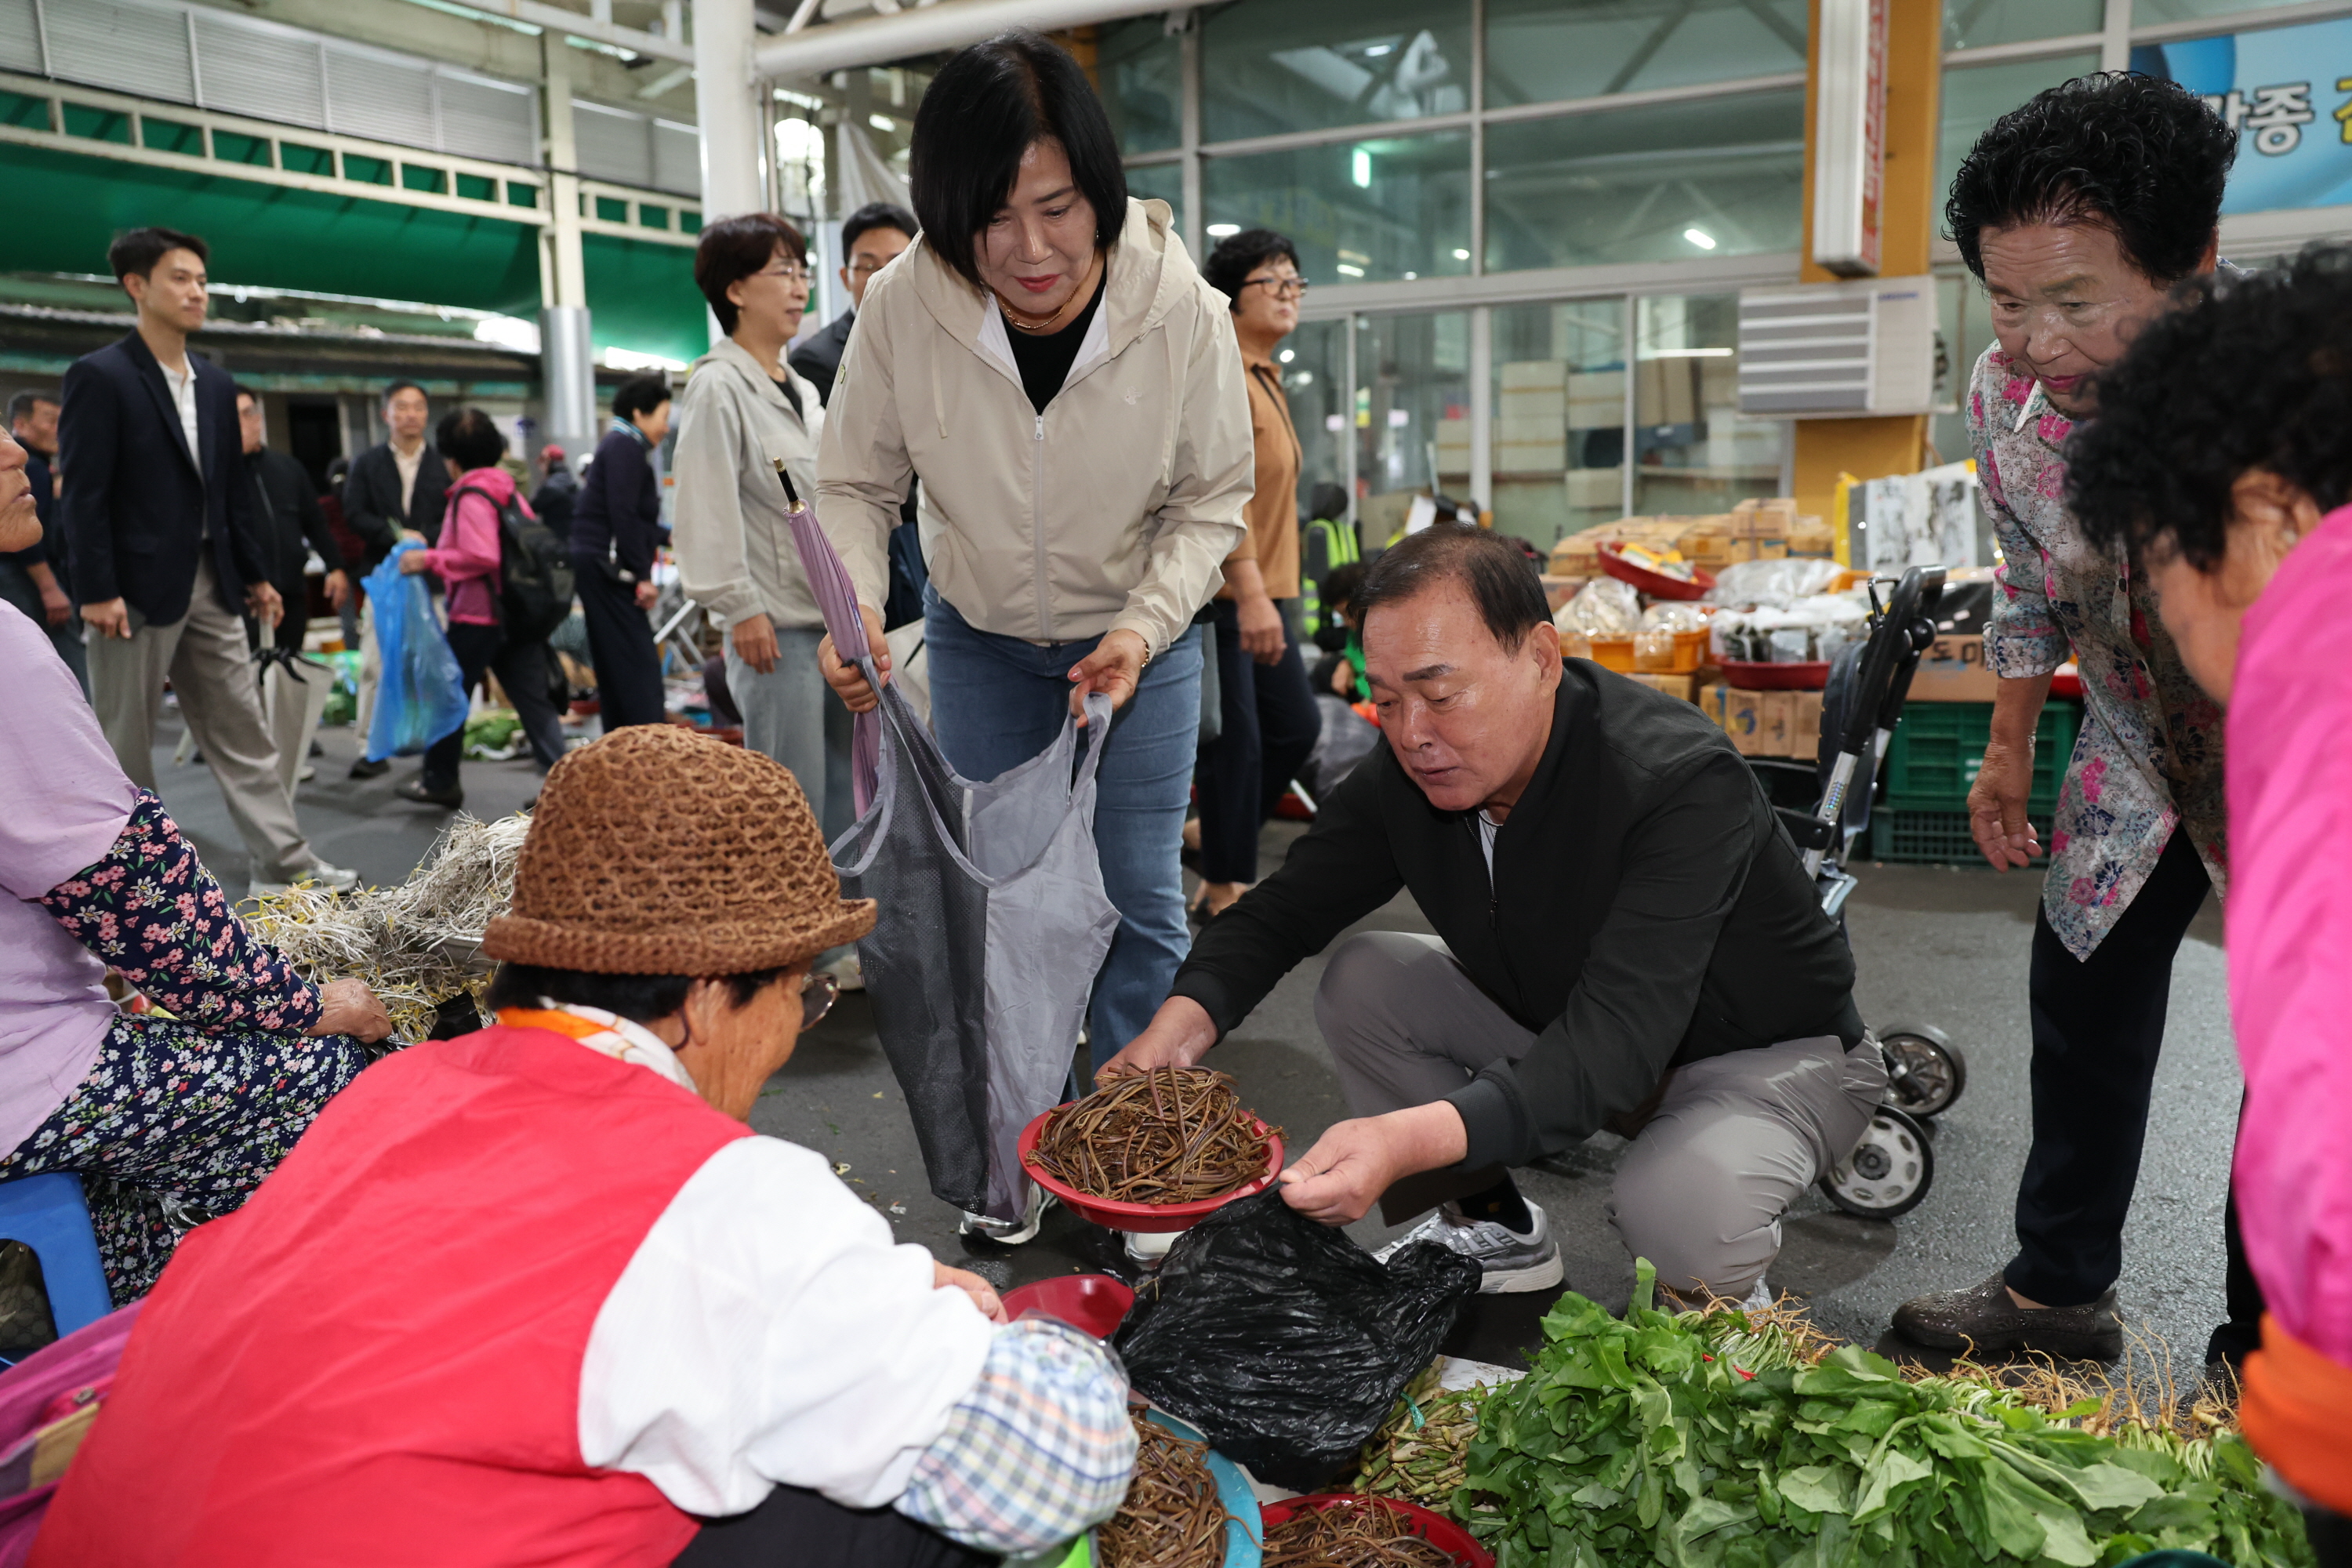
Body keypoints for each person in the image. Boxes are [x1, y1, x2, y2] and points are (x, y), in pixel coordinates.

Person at [31, 725, 1135, 1568]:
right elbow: (1058, 1464)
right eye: (799, 994)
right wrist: (957, 1322)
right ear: (708, 1000)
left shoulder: (390, 1094)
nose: (797, 1026)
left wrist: (847, 1301)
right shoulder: (721, 1202)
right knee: (895, 1505)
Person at [1097, 524, 1879, 1301]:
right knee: (1366, 979)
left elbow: (1614, 1045)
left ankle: (1729, 1292)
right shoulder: (1407, 778)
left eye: (1441, 694)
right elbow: (1280, 913)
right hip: (1578, 1028)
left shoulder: (1677, 782)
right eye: (1388, 699)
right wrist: (1180, 1024)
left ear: (1540, 657)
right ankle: (1491, 1222)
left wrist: (1406, 1139)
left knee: (1679, 1216)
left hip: (1772, 1059)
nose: (1412, 735)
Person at [816, 34, 1254, 1201]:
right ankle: (1022, 1147)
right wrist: (855, 600)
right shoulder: (906, 306)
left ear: (1099, 190)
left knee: (1138, 897)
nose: (1030, 249)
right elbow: (854, 484)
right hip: (979, 642)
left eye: (1056, 206)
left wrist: (1146, 626)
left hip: (1138, 648)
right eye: (991, 219)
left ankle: (1129, 1157)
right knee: (996, 898)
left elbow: (1213, 498)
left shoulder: (1184, 312)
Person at [1889, 73, 2261, 1368]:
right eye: (2004, 298)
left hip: (2299, 763)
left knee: (2303, 1061)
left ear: (2194, 265)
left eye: (2075, 302)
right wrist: (2006, 744)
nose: (2033, 340)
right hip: (2127, 740)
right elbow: (2031, 575)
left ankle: (2269, 1353)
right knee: (2084, 1002)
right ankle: (2058, 1294)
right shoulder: (2007, 398)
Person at [2064, 246, 2352, 1567]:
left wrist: (2322, 1406)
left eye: (2159, 572)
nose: (2167, 626)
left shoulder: (2320, 680)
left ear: (2264, 511)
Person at [0, 424, 390, 1304]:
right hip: (25, 1078)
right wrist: (311, 1003)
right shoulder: (5, 649)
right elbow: (146, 905)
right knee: (343, 1079)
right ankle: (283, 1348)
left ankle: (133, 1319)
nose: (19, 451)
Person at [56, 227, 354, 897]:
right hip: (130, 591)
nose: (196, 292)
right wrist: (96, 588)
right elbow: (84, 493)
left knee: (244, 731)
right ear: (137, 286)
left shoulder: (218, 386)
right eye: (180, 278)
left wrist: (255, 574)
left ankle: (287, 868)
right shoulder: (100, 376)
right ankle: (141, 885)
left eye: (201, 280)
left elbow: (229, 494)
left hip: (213, 582)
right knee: (125, 746)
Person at [671, 216, 848, 851]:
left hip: (827, 625)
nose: (799, 287)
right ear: (736, 290)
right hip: (773, 632)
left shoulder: (800, 387)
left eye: (803, 272)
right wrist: (739, 607)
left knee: (838, 793)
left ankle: (833, 935)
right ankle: (791, 946)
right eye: (783, 272)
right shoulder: (718, 386)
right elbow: (704, 505)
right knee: (789, 799)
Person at [1189, 228, 1321, 920]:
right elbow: (1223, 495)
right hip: (1230, 590)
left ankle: (1216, 839)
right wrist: (1250, 590)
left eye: (1296, 280)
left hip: (1272, 587)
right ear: (1232, 298)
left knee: (1293, 730)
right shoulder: (1226, 379)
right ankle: (1220, 886)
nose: (1290, 291)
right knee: (1235, 742)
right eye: (1274, 280)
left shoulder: (1268, 379)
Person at [395, 408, 568, 810]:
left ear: (451, 459)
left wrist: (431, 560)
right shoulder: (509, 490)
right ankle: (567, 788)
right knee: (535, 704)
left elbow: (482, 555)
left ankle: (440, 781)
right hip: (516, 614)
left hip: (478, 615)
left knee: (446, 697)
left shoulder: (471, 494)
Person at [237, 386, 350, 792]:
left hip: (291, 588)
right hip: (244, 595)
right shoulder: (220, 476)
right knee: (249, 671)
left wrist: (335, 566)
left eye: (251, 413)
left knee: (290, 665)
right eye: (238, 416)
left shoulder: (286, 468)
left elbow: (315, 523)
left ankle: (293, 742)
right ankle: (252, 749)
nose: (248, 423)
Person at [343, 379, 450, 779]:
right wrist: (394, 536)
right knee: (375, 661)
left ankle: (435, 748)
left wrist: (428, 542)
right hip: (383, 578)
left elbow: (451, 517)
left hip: (432, 578)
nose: (410, 415)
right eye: (401, 407)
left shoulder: (442, 464)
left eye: (419, 407)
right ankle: (371, 747)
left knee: (431, 663)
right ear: (386, 413)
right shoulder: (367, 463)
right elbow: (353, 512)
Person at [568, 373, 672, 733]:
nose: (666, 428)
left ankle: (624, 741)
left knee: (616, 662)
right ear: (639, 414)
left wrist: (671, 536)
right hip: (607, 567)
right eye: (662, 417)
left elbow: (634, 519)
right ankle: (646, 745)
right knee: (636, 662)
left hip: (596, 562)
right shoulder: (625, 447)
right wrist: (641, 575)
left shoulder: (618, 445)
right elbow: (623, 514)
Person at [791, 200, 918, 403]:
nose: (884, 276)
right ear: (845, 278)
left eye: (897, 263)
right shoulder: (815, 361)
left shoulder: (940, 340)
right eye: (868, 266)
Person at [0, 387, 82, 691]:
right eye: (49, 419)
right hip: (21, 576)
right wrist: (50, 588)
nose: (58, 429)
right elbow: (25, 538)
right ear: (21, 424)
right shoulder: (32, 465)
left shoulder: (40, 466)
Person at [532, 442, 579, 546]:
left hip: (554, 543)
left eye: (542, 463)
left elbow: (532, 508)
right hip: (573, 541)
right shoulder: (572, 483)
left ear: (548, 461)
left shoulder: (549, 486)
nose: (541, 468)